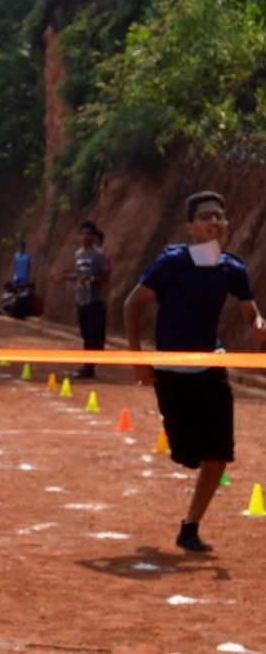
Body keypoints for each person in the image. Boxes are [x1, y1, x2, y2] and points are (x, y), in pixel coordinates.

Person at [124, 191, 266, 552]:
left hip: (211, 365)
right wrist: (139, 360)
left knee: (218, 453)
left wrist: (260, 324)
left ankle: (190, 526)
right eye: (205, 216)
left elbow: (251, 313)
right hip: (171, 369)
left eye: (219, 215)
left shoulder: (231, 268)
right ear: (190, 225)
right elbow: (132, 305)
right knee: (186, 454)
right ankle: (186, 454)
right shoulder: (173, 262)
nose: (214, 221)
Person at [57, 221, 108, 379]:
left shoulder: (98, 254)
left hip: (95, 300)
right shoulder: (78, 254)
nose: (85, 236)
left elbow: (105, 276)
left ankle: (89, 367)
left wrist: (92, 279)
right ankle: (88, 365)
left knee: (94, 334)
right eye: (83, 233)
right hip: (82, 299)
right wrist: (65, 277)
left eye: (88, 233)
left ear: (93, 236)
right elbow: (78, 275)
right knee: (85, 334)